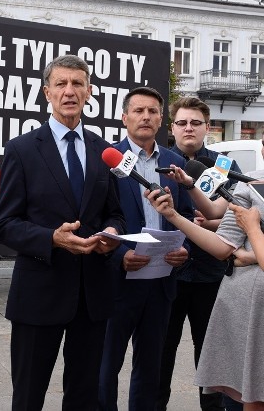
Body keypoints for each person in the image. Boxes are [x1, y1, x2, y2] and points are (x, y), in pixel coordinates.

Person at [0, 54, 125, 410]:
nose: (70, 91)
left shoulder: (104, 150)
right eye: (61, 84)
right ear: (46, 92)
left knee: (84, 398)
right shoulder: (22, 150)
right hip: (39, 295)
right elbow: (3, 225)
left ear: (89, 92)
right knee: (28, 396)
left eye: (78, 84)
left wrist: (111, 234)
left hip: (92, 297)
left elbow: (116, 214)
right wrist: (52, 238)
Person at [97, 87, 194, 411]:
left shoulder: (174, 162)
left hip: (161, 285)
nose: (146, 117)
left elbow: (185, 219)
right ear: (125, 118)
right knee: (105, 368)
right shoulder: (107, 160)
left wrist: (185, 252)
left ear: (161, 120)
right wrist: (117, 254)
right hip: (117, 286)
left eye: (153, 111)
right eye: (138, 111)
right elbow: (96, 219)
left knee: (150, 370)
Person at [145, 176, 264, 411]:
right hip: (247, 312)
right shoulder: (250, 186)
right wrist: (173, 216)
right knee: (253, 396)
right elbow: (222, 246)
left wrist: (252, 236)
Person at [158, 96, 243, 411]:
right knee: (160, 354)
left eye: (195, 122)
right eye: (182, 122)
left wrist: (213, 220)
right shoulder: (160, 161)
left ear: (208, 127)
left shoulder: (223, 166)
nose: (188, 128)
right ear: (173, 128)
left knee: (210, 359)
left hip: (212, 276)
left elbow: (240, 213)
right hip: (166, 274)